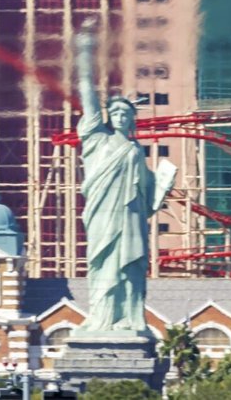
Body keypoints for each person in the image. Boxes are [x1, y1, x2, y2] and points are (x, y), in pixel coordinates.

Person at [78, 94, 175, 334]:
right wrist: (84, 58)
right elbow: (88, 101)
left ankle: (131, 318)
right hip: (103, 214)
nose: (120, 117)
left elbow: (147, 189)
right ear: (108, 117)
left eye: (125, 114)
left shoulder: (136, 150)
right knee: (102, 263)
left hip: (131, 215)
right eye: (115, 113)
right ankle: (101, 317)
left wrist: (162, 186)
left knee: (132, 266)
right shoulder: (98, 141)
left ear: (132, 119)